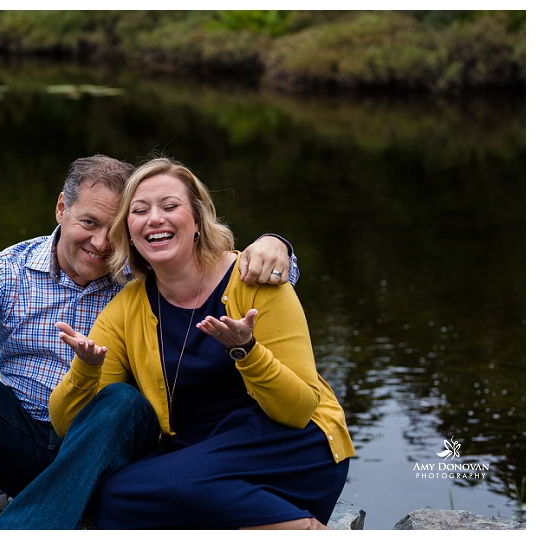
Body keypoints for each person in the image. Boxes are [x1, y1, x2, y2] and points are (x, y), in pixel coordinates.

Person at [0, 154, 300, 530]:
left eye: (113, 228)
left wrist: (276, 246)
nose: (102, 244)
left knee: (123, 400)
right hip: (22, 438)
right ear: (62, 209)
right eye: (88, 223)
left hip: (111, 443)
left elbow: (215, 265)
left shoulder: (142, 273)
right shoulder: (9, 272)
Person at [42, 156, 354, 529]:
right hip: (199, 453)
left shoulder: (254, 281)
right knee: (114, 497)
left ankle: (299, 529)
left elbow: (299, 409)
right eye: (140, 211)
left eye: (170, 206)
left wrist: (247, 352)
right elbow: (66, 424)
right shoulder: (127, 306)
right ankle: (278, 524)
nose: (155, 218)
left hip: (288, 444)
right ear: (129, 230)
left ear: (197, 220)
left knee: (166, 491)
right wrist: (85, 370)